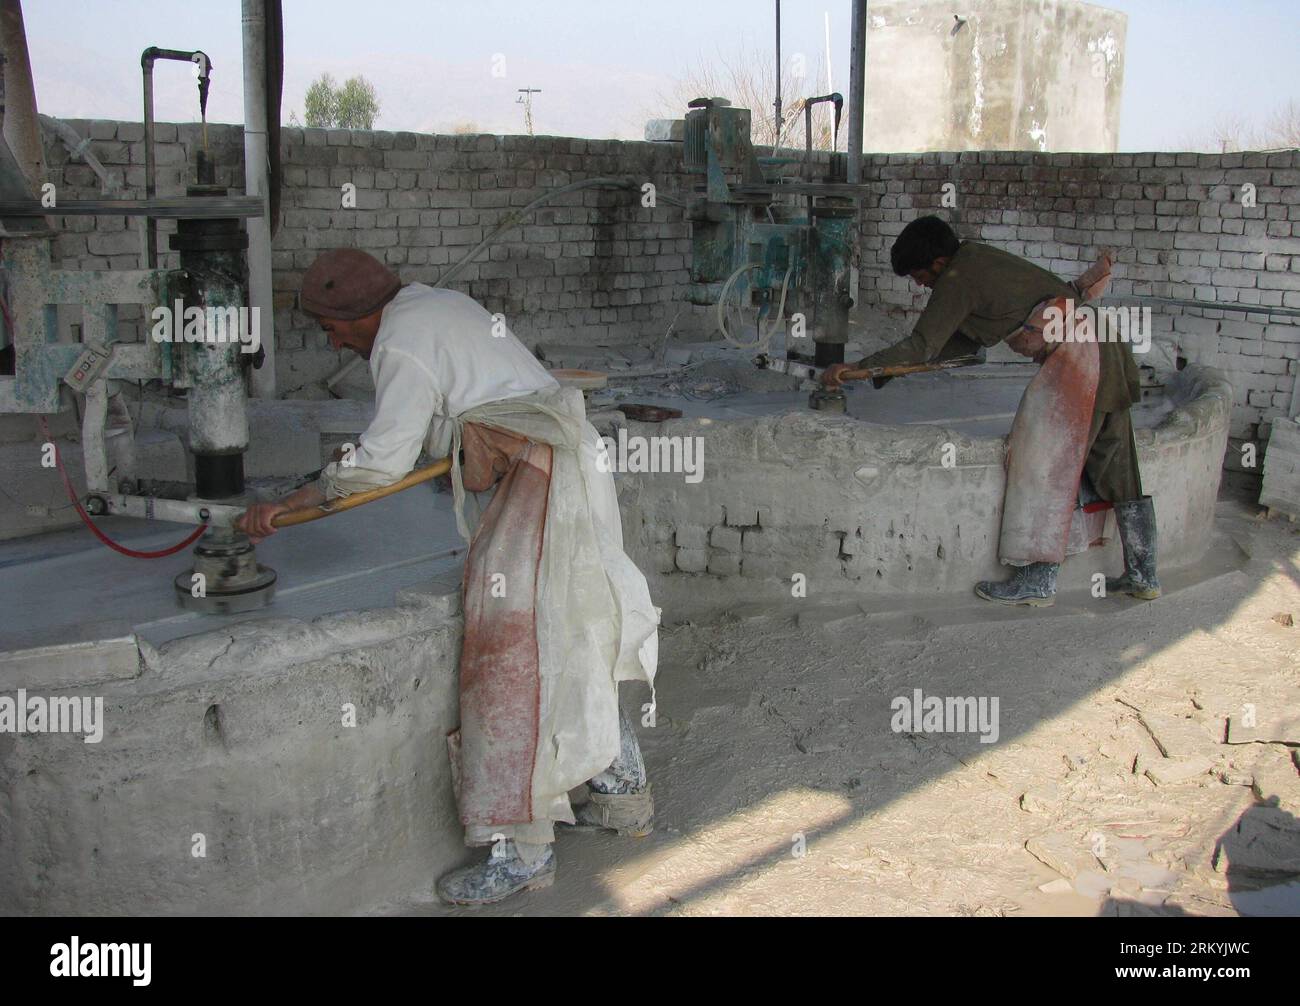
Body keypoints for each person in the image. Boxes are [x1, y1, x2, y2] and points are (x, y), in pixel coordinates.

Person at [236, 249, 660, 905]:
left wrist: (294, 503)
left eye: (331, 327)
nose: (331, 340)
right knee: (574, 633)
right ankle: (622, 792)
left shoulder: (398, 343)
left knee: (507, 663)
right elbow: (457, 419)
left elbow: (382, 462)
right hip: (572, 464)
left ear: (358, 315)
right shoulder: (438, 304)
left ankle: (521, 852)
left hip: (543, 486)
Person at [822, 216, 1159, 606]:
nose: (920, 285)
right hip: (1102, 341)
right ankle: (1143, 574)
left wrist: (853, 370)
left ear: (936, 263)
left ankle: (1038, 577)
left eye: (918, 276)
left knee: (1041, 461)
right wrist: (880, 372)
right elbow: (959, 346)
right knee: (1117, 463)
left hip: (1079, 357)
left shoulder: (958, 277)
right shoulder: (980, 261)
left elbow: (922, 345)